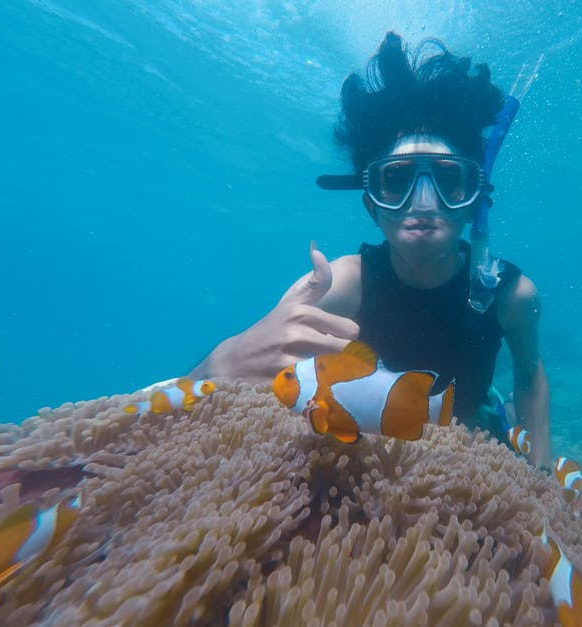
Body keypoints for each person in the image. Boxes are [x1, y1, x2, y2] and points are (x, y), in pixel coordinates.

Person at [190, 32, 551, 467]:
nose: (423, 202)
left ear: (475, 197)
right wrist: (219, 363)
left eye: (448, 179)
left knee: (490, 413)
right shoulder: (340, 285)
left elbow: (529, 375)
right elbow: (263, 371)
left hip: (472, 423)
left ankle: (495, 408)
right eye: (396, 181)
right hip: (362, 435)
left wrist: (542, 471)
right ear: (370, 204)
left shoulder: (511, 296)